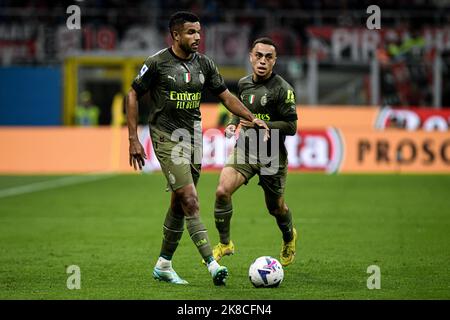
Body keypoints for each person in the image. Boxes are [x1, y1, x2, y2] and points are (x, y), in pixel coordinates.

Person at [125, 11, 269, 286]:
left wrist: (251, 117)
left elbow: (225, 96)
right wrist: (133, 138)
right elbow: (132, 93)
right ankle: (212, 264)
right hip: (166, 136)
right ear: (175, 34)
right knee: (190, 198)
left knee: (179, 203)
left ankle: (163, 264)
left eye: (199, 32)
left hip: (193, 138)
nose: (197, 37)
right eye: (191, 32)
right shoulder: (157, 63)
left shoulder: (205, 64)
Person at [211, 37, 298, 267]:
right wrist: (233, 122)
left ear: (274, 61)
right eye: (258, 56)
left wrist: (264, 124)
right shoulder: (243, 84)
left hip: (271, 156)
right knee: (222, 191)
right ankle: (225, 243)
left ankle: (289, 237)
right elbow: (240, 109)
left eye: (268, 57)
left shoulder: (283, 90)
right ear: (251, 57)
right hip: (246, 149)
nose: (262, 61)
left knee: (276, 208)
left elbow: (292, 127)